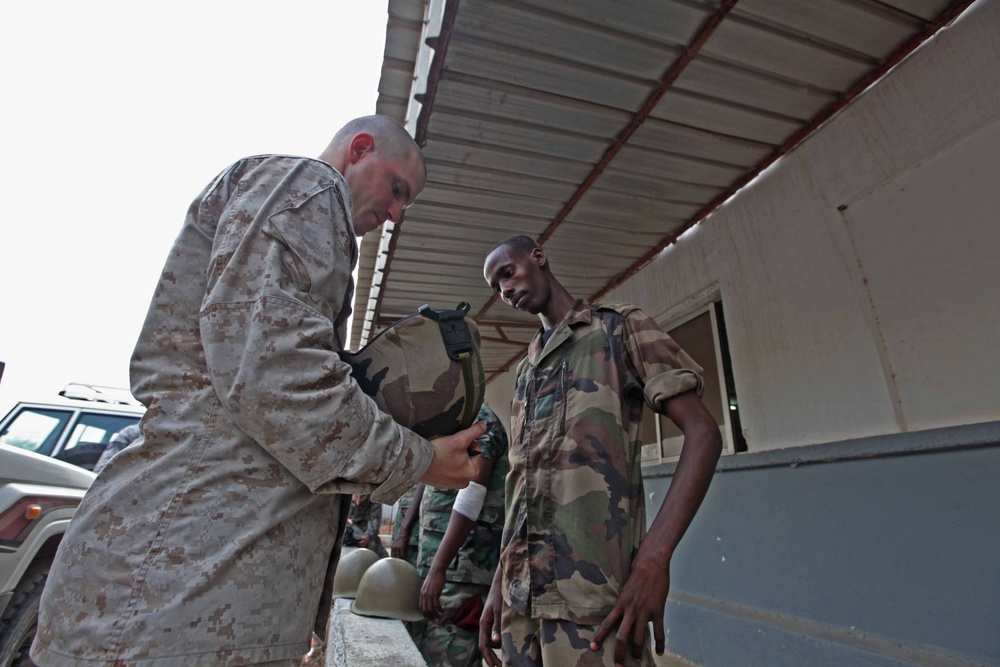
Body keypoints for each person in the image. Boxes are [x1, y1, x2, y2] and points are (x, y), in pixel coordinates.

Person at [31, 115, 485, 666]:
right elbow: (280, 379)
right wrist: (418, 461)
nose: (394, 214)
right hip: (181, 591)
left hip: (192, 589)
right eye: (396, 190)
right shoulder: (310, 187)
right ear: (359, 149)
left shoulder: (302, 206)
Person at [479, 235, 722, 667]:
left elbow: (703, 433)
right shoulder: (525, 370)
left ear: (538, 257)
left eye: (508, 272)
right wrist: (500, 582)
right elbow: (522, 484)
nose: (505, 291)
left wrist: (653, 559)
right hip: (521, 604)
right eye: (496, 288)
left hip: (592, 604)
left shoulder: (617, 329)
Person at [395, 402, 509, 667]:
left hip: (464, 566)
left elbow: (472, 494)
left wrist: (439, 567)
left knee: (449, 648)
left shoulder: (481, 420)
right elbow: (431, 477)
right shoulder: (450, 419)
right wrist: (406, 530)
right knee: (428, 644)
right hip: (436, 556)